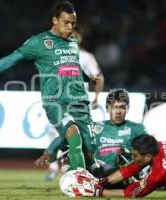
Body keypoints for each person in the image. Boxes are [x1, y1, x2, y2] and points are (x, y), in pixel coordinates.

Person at [0, 1, 95, 171]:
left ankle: (80, 176)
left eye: (73, 23)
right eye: (66, 22)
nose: (70, 27)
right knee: (73, 134)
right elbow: (10, 59)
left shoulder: (73, 42)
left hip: (79, 101)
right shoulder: (38, 42)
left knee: (90, 150)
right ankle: (80, 180)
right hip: (56, 101)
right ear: (55, 20)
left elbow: (74, 66)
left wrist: (88, 78)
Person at [45, 29, 104, 180]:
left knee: (82, 137)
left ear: (80, 39)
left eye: (76, 36)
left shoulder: (86, 57)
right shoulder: (57, 54)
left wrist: (97, 96)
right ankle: (53, 167)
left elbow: (97, 76)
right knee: (55, 131)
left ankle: (79, 168)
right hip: (59, 101)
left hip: (79, 103)